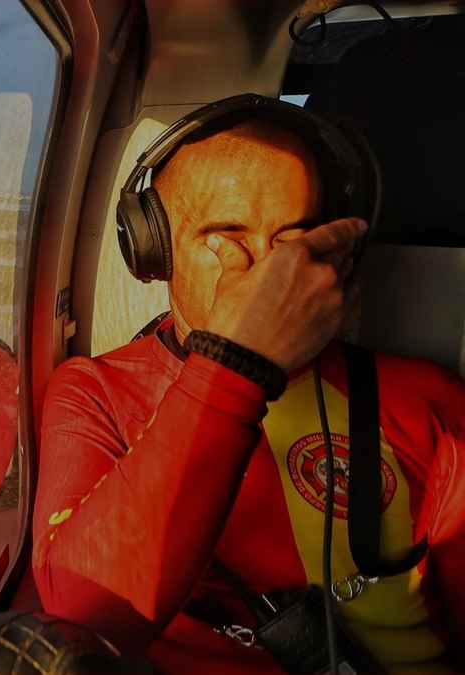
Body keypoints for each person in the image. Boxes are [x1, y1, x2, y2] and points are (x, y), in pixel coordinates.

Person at [32, 96, 465, 672]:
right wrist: (238, 363)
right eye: (226, 235)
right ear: (154, 250)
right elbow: (85, 615)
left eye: (294, 239)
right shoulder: (96, 393)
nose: (268, 274)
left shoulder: (428, 402)